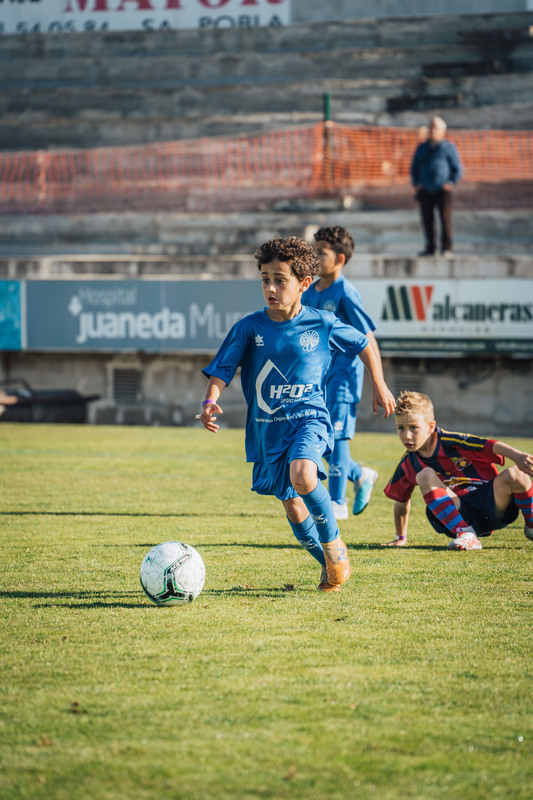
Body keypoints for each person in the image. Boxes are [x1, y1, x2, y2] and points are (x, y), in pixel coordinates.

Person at [199, 236, 396, 592]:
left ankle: (334, 545)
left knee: (304, 475)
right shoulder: (249, 328)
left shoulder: (322, 323)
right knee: (292, 505)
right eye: (265, 279)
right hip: (267, 430)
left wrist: (379, 385)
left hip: (310, 420)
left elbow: (364, 343)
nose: (270, 288)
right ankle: (330, 565)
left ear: (304, 284)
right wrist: (210, 400)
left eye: (280, 280)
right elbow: (223, 369)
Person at [382, 391, 533, 550]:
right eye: (401, 428)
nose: (407, 436)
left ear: (430, 427)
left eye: (414, 428)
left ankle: (531, 526)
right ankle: (466, 534)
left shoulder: (452, 441)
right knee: (425, 475)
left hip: (490, 504)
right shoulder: (408, 463)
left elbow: (488, 445)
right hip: (459, 513)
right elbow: (401, 500)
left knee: (517, 474)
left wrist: (517, 455)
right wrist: (400, 537)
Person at [302, 225, 383, 520]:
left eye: (321, 253)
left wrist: (379, 383)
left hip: (343, 378)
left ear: (339, 258)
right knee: (319, 439)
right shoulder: (309, 291)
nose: (315, 258)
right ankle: (360, 474)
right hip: (317, 380)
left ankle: (338, 502)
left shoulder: (346, 293)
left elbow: (367, 339)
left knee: (336, 438)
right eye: (313, 252)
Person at [411, 116, 463, 258]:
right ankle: (430, 247)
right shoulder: (422, 148)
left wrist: (450, 183)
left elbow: (457, 168)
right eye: (431, 127)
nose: (432, 130)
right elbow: (414, 168)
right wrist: (417, 183)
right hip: (425, 189)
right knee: (427, 219)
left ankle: (446, 248)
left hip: (442, 189)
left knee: (445, 218)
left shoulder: (448, 147)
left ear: (442, 131)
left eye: (435, 128)